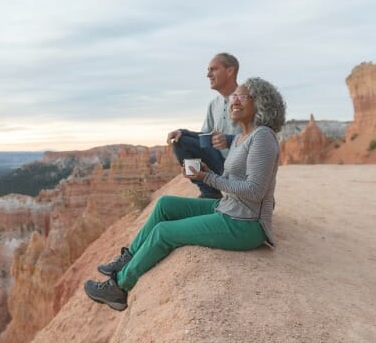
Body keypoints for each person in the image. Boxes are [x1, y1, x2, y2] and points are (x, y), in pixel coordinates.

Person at [84, 77, 286, 311]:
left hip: (247, 224)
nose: (234, 101)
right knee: (165, 204)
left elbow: (255, 190)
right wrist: (208, 172)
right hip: (229, 207)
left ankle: (119, 288)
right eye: (234, 97)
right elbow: (235, 180)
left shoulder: (262, 136)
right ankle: (129, 258)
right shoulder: (242, 137)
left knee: (164, 232)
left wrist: (208, 179)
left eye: (242, 96)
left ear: (260, 103)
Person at [167, 53, 243, 199]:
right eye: (208, 70)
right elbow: (204, 139)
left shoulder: (248, 101)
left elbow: (262, 138)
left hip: (241, 169)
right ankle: (210, 193)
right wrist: (182, 132)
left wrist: (229, 139)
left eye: (213, 69)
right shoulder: (214, 104)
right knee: (180, 142)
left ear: (230, 71)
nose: (208, 75)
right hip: (219, 164)